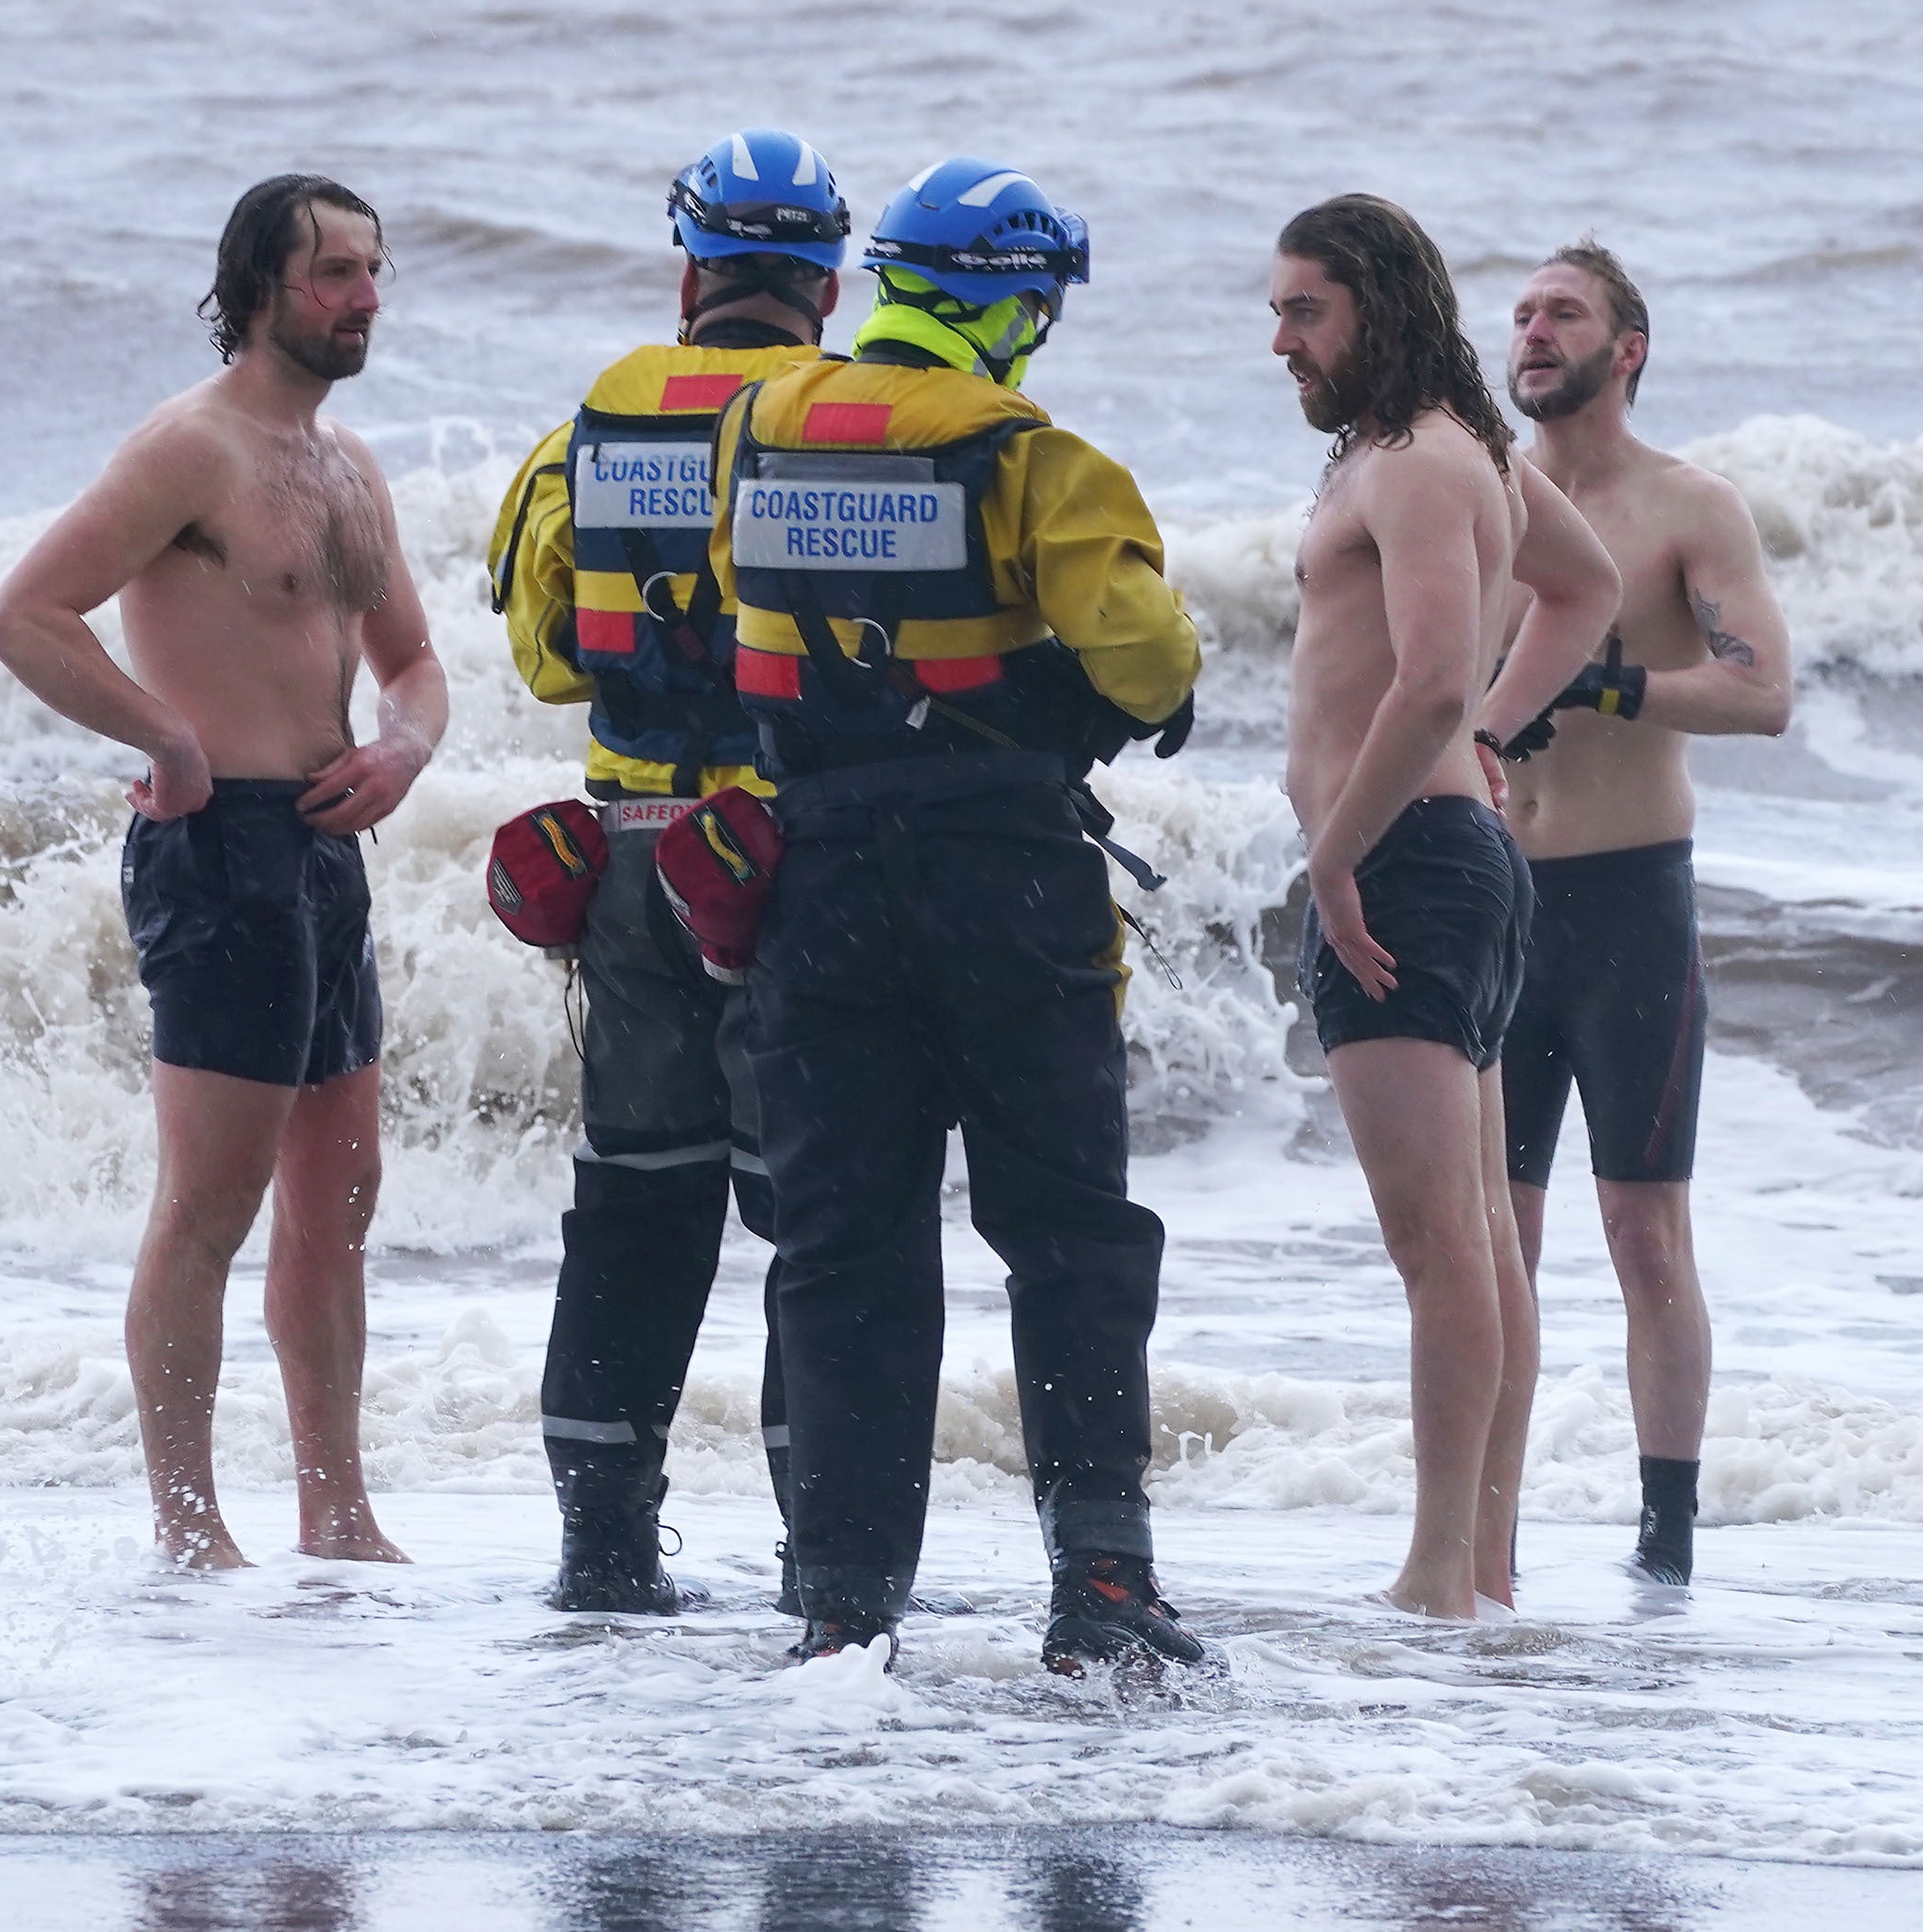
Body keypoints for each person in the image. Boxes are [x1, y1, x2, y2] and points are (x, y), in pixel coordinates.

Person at [708, 157, 1210, 1676]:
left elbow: (744, 592)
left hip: (818, 882)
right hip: (1003, 885)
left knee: (848, 1245)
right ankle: (1103, 1596)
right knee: (1069, 1239)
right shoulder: (1030, 451)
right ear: (1013, 302)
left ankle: (846, 1606)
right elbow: (1149, 664)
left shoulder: (763, 421)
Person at [0, 175, 446, 1571]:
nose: (363, 297)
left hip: (320, 848)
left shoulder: (345, 465)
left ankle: (338, 1512)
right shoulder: (192, 452)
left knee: (339, 1199)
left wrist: (406, 748)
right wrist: (165, 733)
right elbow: (24, 615)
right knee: (211, 1205)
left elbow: (411, 660)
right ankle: (190, 1529)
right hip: (216, 850)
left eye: (372, 271)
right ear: (257, 288)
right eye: (332, 275)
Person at [482, 130, 850, 1611]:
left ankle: (602, 1555)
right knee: (820, 1224)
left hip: (630, 862)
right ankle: (822, 1563)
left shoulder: (584, 430)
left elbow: (549, 656)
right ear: (827, 287)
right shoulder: (853, 422)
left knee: (632, 1207)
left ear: (689, 272)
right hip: (799, 864)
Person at [1271, 195, 1618, 1619]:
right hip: (1449, 845)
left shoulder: (1415, 461)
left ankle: (1435, 1575)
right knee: (1476, 1233)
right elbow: (1583, 587)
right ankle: (1480, 1569)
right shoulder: (1455, 448)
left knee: (1441, 1249)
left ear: (1377, 306)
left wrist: (1342, 852)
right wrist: (1495, 728)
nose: (1280, 338)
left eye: (1305, 310)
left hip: (1408, 858)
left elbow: (1420, 677)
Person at [1485, 236, 1794, 1586]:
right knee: (1494, 1234)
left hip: (1628, 905)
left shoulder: (1687, 508)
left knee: (1640, 1228)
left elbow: (1761, 692)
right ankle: (1479, 1526)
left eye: (1566, 313)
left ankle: (1665, 1539)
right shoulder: (1478, 498)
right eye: (1523, 313)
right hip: (1492, 896)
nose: (1535, 330)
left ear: (1630, 348)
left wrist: (1606, 686)